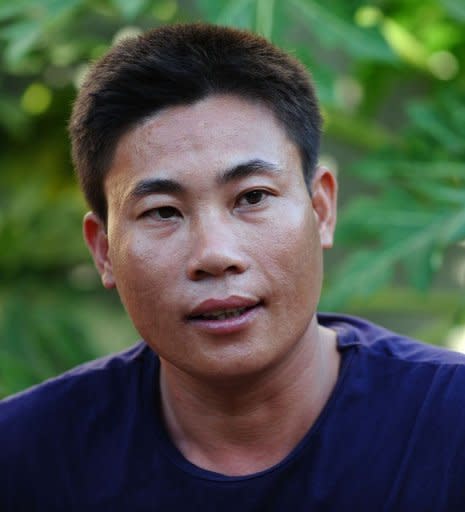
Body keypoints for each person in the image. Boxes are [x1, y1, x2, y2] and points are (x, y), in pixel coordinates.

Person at [1, 23, 465, 511]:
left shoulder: (450, 425)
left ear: (322, 209)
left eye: (252, 197)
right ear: (103, 251)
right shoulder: (25, 461)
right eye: (162, 211)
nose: (215, 254)